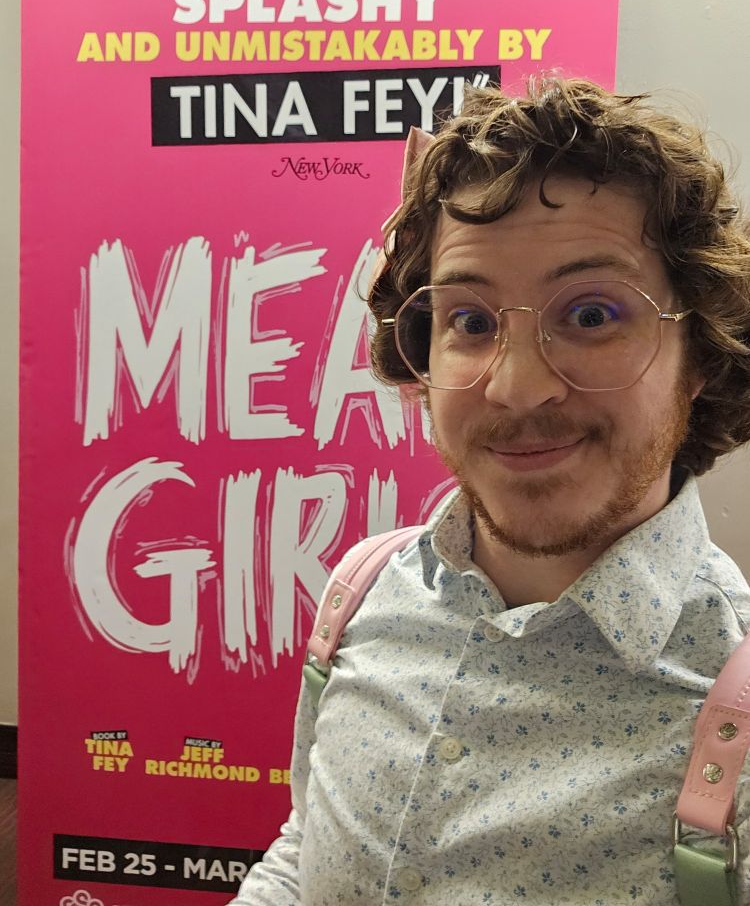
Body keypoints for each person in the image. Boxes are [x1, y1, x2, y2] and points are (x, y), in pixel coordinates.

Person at [231, 78, 750, 905]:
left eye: (591, 314)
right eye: (470, 322)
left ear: (703, 357)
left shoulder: (736, 710)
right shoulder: (360, 595)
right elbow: (305, 852)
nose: (516, 388)